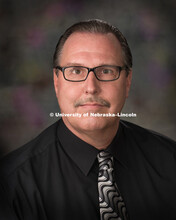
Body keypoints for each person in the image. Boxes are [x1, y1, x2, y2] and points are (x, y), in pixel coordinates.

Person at [0, 19, 176, 220]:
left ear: (127, 82)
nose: (91, 87)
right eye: (76, 71)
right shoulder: (11, 185)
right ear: (57, 82)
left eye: (107, 71)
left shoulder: (171, 162)